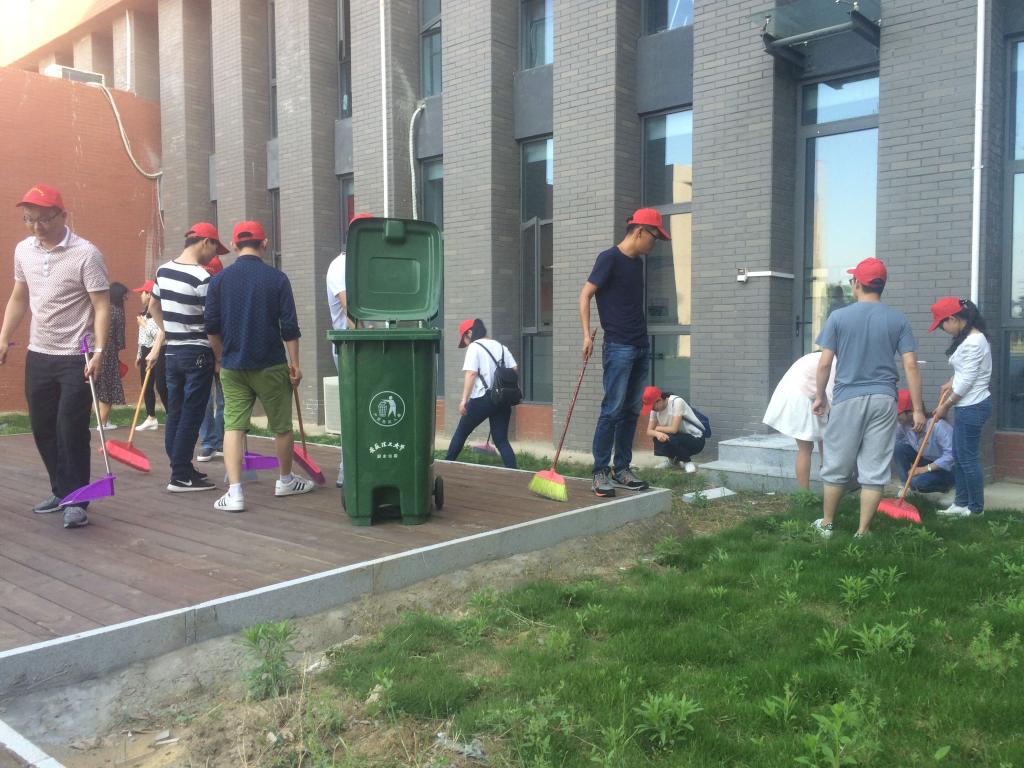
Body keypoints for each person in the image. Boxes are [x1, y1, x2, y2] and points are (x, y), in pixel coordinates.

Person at [0, 183, 110, 529]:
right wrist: (4, 337)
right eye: (29, 220)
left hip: (76, 356)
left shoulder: (86, 254)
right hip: (39, 354)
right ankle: (61, 489)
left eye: (44, 220)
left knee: (70, 428)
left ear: (62, 215)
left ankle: (76, 499)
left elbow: (101, 305)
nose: (36, 227)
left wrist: (100, 351)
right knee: (42, 427)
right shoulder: (24, 250)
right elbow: (19, 296)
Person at [811, 257, 925, 538]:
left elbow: (824, 364)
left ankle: (827, 524)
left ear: (857, 283)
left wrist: (819, 396)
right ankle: (862, 532)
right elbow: (911, 365)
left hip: (848, 398)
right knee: (874, 469)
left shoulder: (838, 317)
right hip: (885, 400)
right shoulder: (898, 319)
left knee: (837, 463)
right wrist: (918, 409)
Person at [205, 220, 314, 512]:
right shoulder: (277, 279)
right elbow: (289, 327)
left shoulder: (218, 281)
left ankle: (235, 493)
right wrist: (295, 364)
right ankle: (285, 480)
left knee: (233, 426)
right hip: (271, 364)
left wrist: (220, 358)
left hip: (233, 365)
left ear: (234, 245)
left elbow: (211, 328)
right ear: (264, 244)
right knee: (282, 427)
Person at [579, 208, 669, 497]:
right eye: (654, 237)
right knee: (612, 409)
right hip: (618, 346)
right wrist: (586, 335)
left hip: (640, 345)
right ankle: (600, 472)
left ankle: (622, 469)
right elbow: (585, 294)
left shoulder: (636, 264)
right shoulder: (609, 259)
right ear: (639, 231)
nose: (655, 244)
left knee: (631, 410)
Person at [148, 222, 226, 492]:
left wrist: (170, 331)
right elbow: (212, 325)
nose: (214, 255)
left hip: (173, 352)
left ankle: (180, 467)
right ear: (205, 242)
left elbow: (153, 306)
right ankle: (180, 474)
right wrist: (219, 358)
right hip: (198, 353)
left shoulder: (163, 270)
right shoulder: (202, 278)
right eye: (215, 248)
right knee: (192, 413)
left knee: (176, 411)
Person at [929, 297, 993, 518]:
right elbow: (964, 372)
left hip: (972, 406)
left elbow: (966, 382)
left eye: (942, 325)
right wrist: (950, 382)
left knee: (968, 459)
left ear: (953, 318)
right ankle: (961, 503)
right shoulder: (970, 338)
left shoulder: (974, 342)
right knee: (959, 455)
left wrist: (945, 406)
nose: (943, 330)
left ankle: (975, 509)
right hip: (967, 405)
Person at [325, 212, 372, 487]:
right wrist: (368, 338)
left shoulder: (367, 263)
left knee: (371, 407)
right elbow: (349, 307)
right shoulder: (341, 265)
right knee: (354, 406)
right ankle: (348, 468)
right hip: (352, 348)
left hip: (373, 346)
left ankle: (372, 461)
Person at [444, 318, 518, 469]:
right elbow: (514, 368)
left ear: (469, 333)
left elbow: (471, 373)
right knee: (501, 440)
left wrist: (464, 400)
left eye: (465, 339)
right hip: (502, 399)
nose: (466, 344)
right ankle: (514, 472)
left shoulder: (474, 347)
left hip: (482, 398)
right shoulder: (501, 347)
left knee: (461, 432)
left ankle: (446, 465)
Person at [763, 351, 837, 489]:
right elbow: (832, 394)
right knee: (807, 448)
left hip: (790, 394)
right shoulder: (833, 362)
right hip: (802, 398)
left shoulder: (814, 356)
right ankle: (823, 488)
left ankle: (806, 493)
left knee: (809, 446)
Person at [892, 388, 954, 494]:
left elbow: (951, 456)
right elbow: (895, 441)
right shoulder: (903, 425)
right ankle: (906, 487)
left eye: (897, 413)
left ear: (911, 412)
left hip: (946, 469)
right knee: (898, 447)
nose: (894, 416)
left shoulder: (937, 425)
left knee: (917, 482)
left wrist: (924, 469)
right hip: (926, 460)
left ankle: (945, 486)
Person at [197, 254, 225, 463]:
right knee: (209, 400)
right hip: (207, 353)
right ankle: (211, 441)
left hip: (220, 352)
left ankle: (217, 441)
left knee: (221, 400)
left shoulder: (222, 296)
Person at [641, 386, 704, 473]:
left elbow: (674, 429)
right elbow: (649, 431)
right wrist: (657, 433)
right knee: (658, 437)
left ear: (659, 400)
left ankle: (687, 461)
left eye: (652, 407)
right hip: (679, 436)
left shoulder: (676, 402)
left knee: (671, 438)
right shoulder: (655, 410)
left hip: (696, 439)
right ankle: (673, 462)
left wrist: (657, 429)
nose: (652, 409)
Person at [133, 279, 166, 430]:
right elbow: (142, 338)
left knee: (161, 385)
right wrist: (139, 354)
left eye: (143, 293)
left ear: (149, 295)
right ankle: (150, 416)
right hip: (145, 351)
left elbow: (159, 334)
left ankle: (171, 413)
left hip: (158, 350)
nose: (141, 295)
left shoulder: (159, 313)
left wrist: (145, 325)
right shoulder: (144, 313)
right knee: (146, 386)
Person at [96, 281, 127, 430]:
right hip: (110, 353)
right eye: (124, 296)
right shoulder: (117, 311)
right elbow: (119, 338)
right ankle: (103, 423)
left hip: (97, 350)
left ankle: (100, 421)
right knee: (108, 387)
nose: (126, 299)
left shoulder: (103, 309)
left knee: (98, 386)